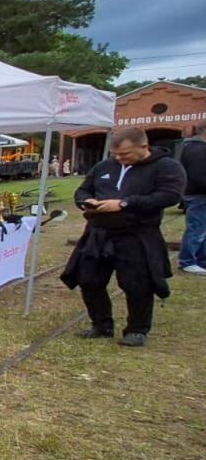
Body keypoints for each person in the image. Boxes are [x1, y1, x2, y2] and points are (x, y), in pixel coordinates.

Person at [61, 127, 187, 346]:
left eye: (125, 154)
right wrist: (86, 201)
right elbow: (83, 190)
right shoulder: (104, 166)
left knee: (137, 283)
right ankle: (101, 325)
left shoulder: (167, 167)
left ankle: (137, 329)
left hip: (136, 233)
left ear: (143, 147)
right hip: (99, 233)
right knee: (88, 279)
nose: (119, 158)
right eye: (115, 154)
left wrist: (124, 203)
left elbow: (170, 196)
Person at [177, 122, 206, 276]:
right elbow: (198, 175)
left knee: (202, 229)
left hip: (198, 194)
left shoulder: (194, 147)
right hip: (198, 195)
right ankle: (188, 261)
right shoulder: (197, 150)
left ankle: (201, 260)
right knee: (196, 229)